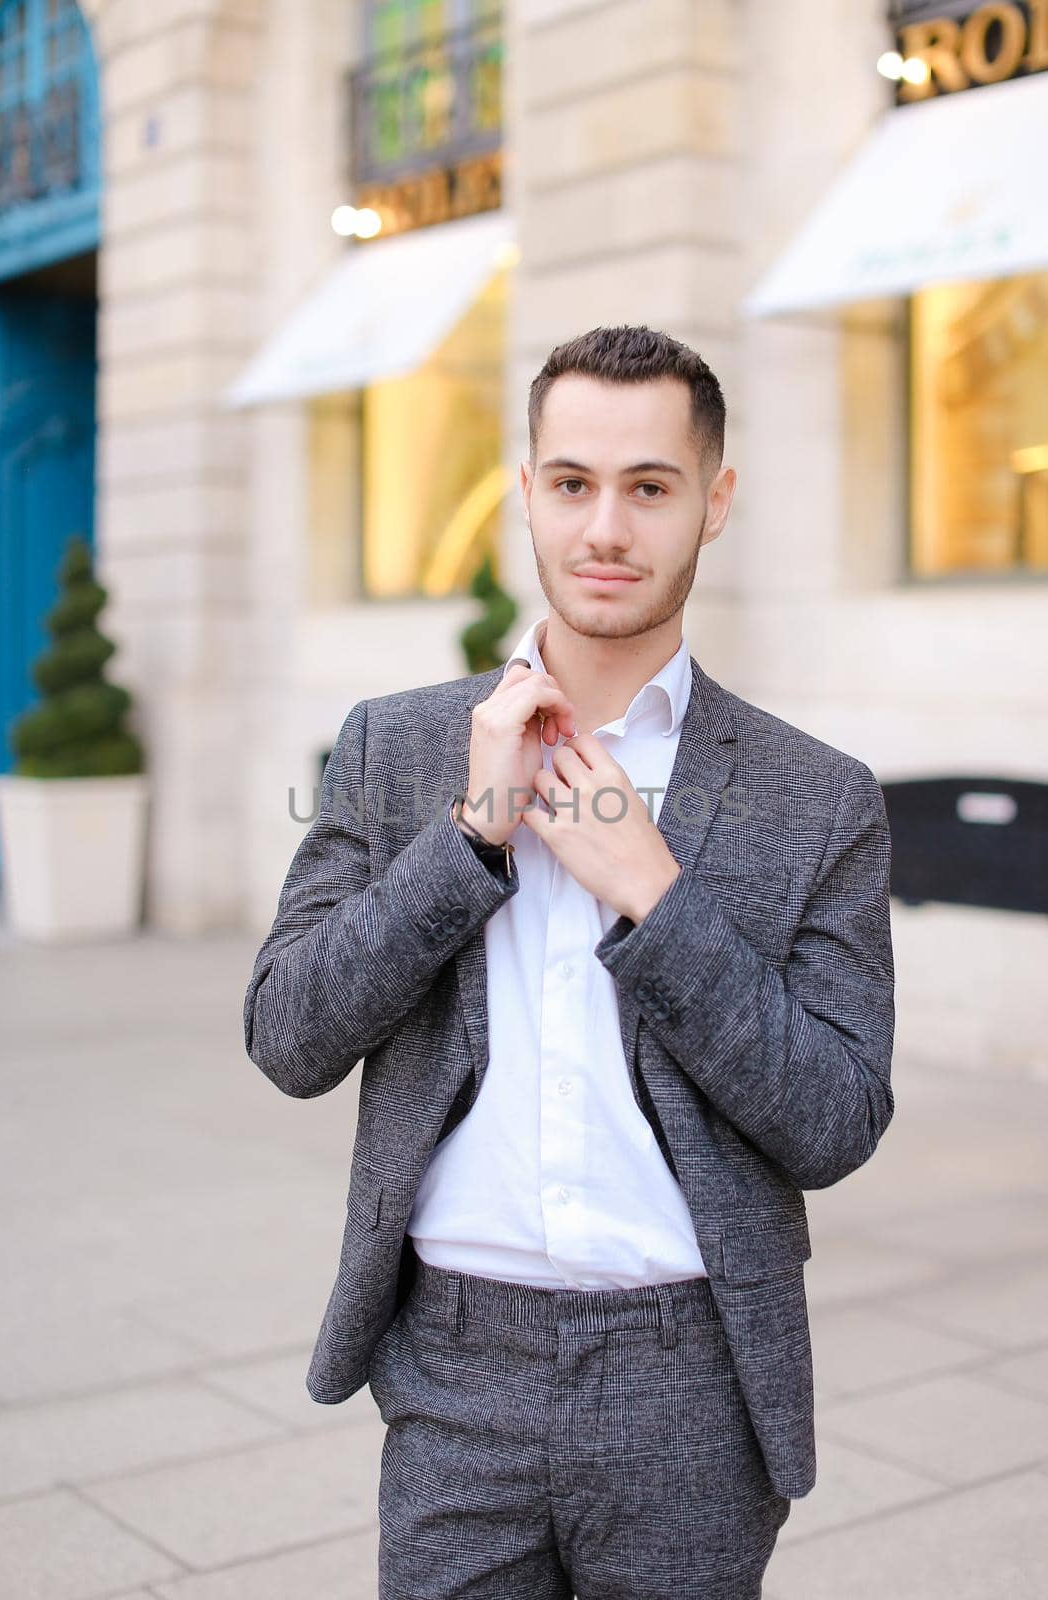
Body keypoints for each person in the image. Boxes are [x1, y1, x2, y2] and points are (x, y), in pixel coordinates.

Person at [243, 324, 896, 1599]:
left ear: (713, 502)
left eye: (648, 487)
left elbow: (834, 1119)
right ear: (527, 487)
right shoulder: (395, 747)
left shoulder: (816, 797)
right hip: (452, 1363)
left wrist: (652, 895)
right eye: (571, 483)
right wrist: (467, 838)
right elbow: (288, 1035)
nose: (605, 527)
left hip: (691, 1376)